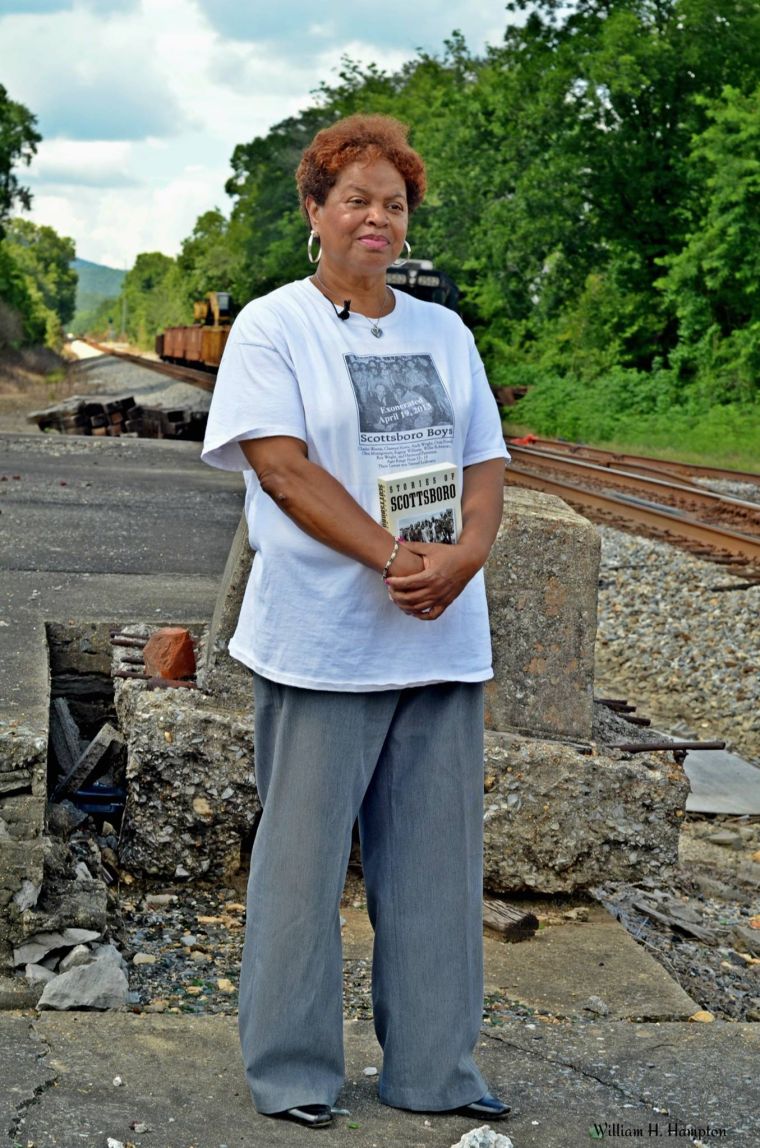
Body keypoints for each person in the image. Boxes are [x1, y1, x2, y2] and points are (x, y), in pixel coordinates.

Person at [201, 113, 511, 1131]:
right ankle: (293, 1071)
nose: (376, 218)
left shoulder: (442, 331)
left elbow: (484, 462)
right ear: (315, 210)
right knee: (299, 868)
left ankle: (435, 1069)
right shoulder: (272, 325)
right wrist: (389, 556)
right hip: (323, 638)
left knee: (433, 865)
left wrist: (463, 555)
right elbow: (283, 467)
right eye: (355, 200)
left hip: (437, 634)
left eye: (393, 203)